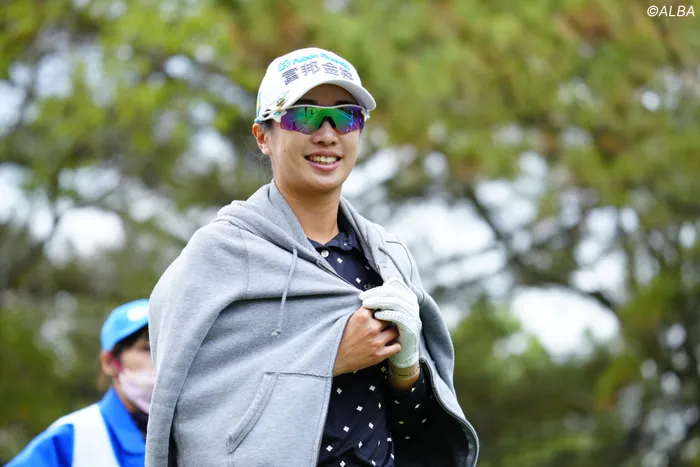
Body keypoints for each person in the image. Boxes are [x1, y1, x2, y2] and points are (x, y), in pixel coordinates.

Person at [146, 47, 479, 467]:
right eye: (304, 116)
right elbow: (192, 410)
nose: (327, 134)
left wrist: (406, 370)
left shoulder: (389, 257)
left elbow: (414, 431)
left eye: (345, 117)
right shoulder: (218, 254)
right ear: (263, 136)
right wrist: (330, 358)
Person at [8, 299, 154, 467]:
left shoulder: (179, 434)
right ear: (110, 362)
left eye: (168, 348)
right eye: (148, 349)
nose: (161, 359)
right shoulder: (73, 439)